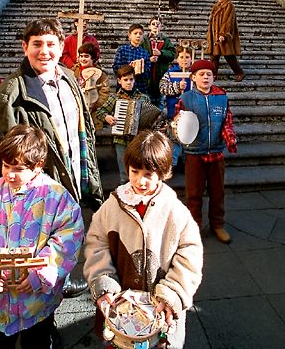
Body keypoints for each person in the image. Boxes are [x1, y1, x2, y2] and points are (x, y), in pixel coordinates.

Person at [0, 18, 103, 297]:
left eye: (51, 44)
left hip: (72, 172)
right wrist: (14, 189)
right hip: (36, 189)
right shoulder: (12, 93)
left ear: (61, 47)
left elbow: (83, 132)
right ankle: (41, 315)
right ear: (25, 47)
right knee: (39, 248)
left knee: (65, 234)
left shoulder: (69, 78)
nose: (44, 51)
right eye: (37, 44)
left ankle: (62, 277)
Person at [0, 124, 84, 349]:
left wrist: (40, 274)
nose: (10, 174)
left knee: (38, 343)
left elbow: (67, 240)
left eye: (18, 168)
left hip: (37, 302)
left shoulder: (57, 198)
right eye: (6, 165)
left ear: (38, 166)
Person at [83, 130, 203, 349]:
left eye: (149, 174)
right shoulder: (113, 205)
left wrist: (173, 292)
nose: (140, 180)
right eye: (135, 171)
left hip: (160, 310)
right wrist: (104, 280)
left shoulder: (175, 211)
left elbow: (190, 254)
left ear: (163, 173)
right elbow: (96, 242)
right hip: (121, 306)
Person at [177, 59, 237, 244]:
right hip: (194, 153)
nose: (205, 77)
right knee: (194, 194)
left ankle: (217, 224)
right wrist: (176, 127)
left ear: (214, 77)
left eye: (209, 74)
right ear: (193, 77)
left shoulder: (222, 97)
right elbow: (178, 123)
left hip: (216, 152)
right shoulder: (186, 98)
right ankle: (193, 228)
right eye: (201, 74)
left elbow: (227, 122)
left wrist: (230, 140)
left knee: (217, 191)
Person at [95, 64, 156, 183]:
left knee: (139, 168)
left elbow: (151, 117)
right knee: (124, 171)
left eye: (131, 79)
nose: (128, 82)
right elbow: (99, 111)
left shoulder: (143, 98)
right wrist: (107, 117)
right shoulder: (115, 98)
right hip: (121, 140)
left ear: (135, 80)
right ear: (119, 81)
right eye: (125, 80)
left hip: (139, 140)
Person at [159, 45, 193, 168]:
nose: (184, 60)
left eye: (187, 57)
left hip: (190, 113)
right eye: (182, 57)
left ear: (191, 59)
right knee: (174, 139)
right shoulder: (170, 73)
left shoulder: (194, 74)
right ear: (177, 59)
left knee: (189, 140)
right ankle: (171, 166)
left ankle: (187, 165)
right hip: (174, 112)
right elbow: (162, 88)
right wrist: (177, 87)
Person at [206, 0, 245, 82]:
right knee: (214, 56)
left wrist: (223, 34)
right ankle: (213, 75)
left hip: (224, 35)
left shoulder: (229, 5)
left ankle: (239, 73)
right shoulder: (216, 6)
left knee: (229, 55)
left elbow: (228, 21)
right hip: (215, 34)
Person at [72, 42, 110, 130]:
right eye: (81, 56)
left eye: (86, 56)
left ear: (92, 58)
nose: (83, 59)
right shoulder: (73, 71)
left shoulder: (100, 74)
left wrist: (94, 104)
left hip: (92, 112)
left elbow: (105, 93)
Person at [141, 16, 175, 108]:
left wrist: (161, 53)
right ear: (149, 26)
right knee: (146, 103)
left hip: (160, 73)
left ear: (161, 27)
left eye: (158, 24)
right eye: (153, 24)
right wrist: (149, 59)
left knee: (160, 102)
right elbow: (138, 53)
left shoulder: (165, 40)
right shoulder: (143, 40)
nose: (155, 26)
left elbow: (172, 54)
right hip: (147, 76)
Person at [112, 23, 151, 94]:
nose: (138, 36)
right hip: (123, 88)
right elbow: (116, 68)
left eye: (140, 34)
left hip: (140, 88)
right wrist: (129, 68)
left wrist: (141, 69)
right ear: (129, 35)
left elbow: (148, 73)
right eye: (135, 33)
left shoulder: (145, 53)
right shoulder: (122, 50)